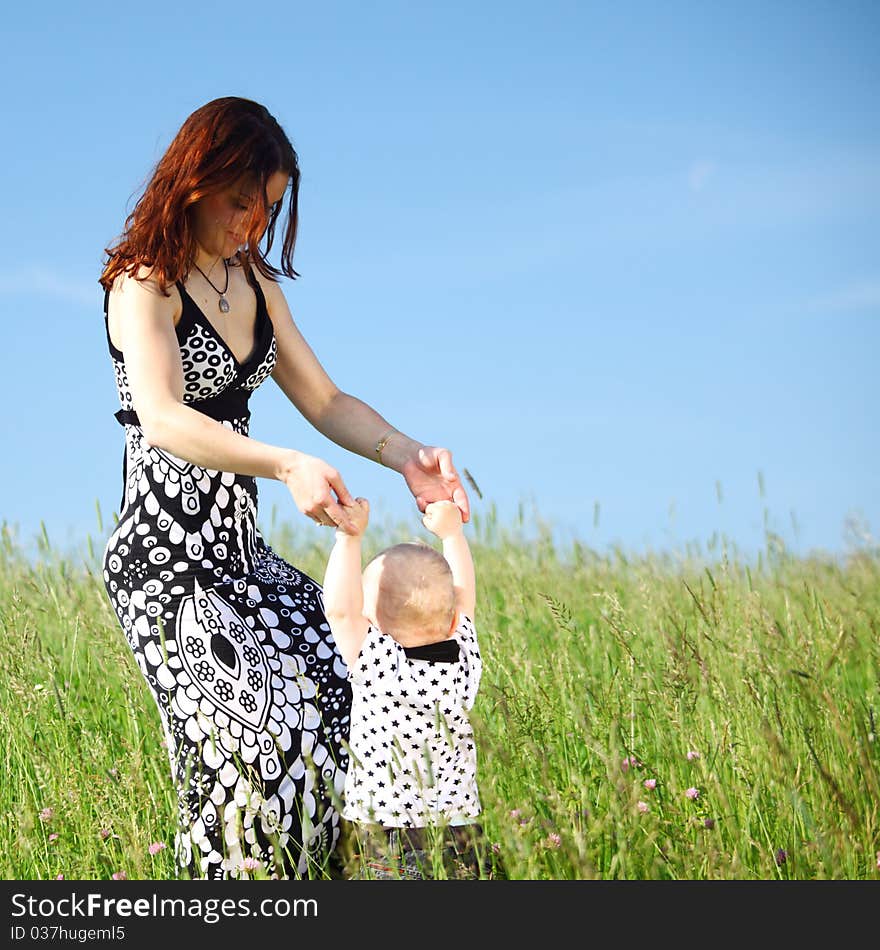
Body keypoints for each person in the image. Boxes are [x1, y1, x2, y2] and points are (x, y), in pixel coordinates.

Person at [98, 96, 470, 880]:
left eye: (268, 208)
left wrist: (405, 454)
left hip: (245, 562)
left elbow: (326, 401)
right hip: (166, 568)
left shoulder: (256, 288)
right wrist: (282, 462)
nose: (253, 223)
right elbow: (163, 417)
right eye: (241, 202)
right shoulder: (145, 284)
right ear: (195, 179)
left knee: (353, 709)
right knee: (257, 755)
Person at [322, 497, 495, 879]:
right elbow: (463, 599)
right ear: (451, 620)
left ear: (371, 621)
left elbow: (338, 611)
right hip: (460, 830)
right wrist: (453, 534)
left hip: (388, 834)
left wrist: (349, 538)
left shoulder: (378, 661)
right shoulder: (463, 659)